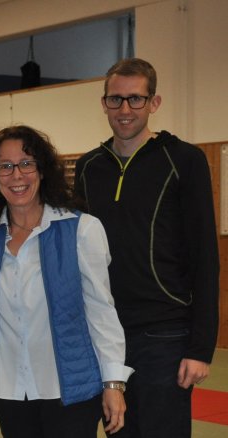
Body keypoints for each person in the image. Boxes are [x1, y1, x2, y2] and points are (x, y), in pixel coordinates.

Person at [74, 58, 219, 438]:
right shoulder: (89, 167)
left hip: (165, 334)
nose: (125, 109)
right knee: (118, 432)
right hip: (106, 334)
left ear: (154, 102)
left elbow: (206, 256)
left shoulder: (184, 160)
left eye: (135, 99)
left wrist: (201, 347)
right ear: (103, 103)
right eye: (116, 99)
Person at [0, 125, 132, 437]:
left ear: (42, 170)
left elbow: (101, 312)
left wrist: (113, 383)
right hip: (10, 390)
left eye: (26, 163)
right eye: (5, 166)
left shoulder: (81, 229)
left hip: (70, 390)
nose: (17, 175)